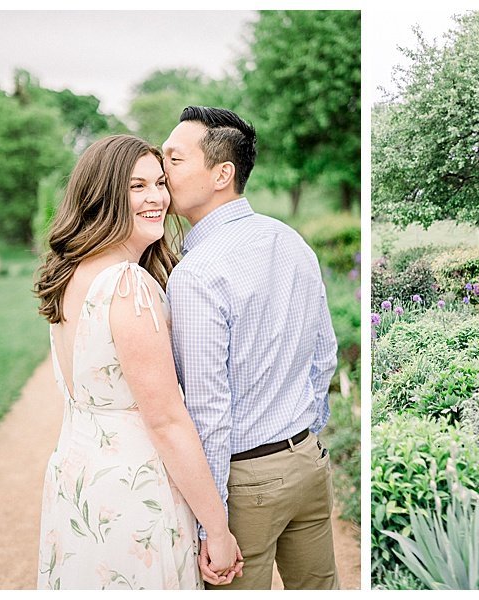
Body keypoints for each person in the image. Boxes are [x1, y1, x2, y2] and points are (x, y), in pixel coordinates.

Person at [33, 134, 243, 590]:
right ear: (105, 194)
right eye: (136, 186)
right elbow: (167, 420)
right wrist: (219, 530)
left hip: (80, 484)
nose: (157, 198)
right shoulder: (128, 284)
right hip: (134, 493)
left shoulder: (71, 275)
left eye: (160, 183)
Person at [163, 106, 340, 590]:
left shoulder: (196, 276)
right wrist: (303, 433)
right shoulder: (290, 239)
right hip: (307, 459)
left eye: (174, 159)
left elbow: (208, 411)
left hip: (246, 482)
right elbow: (325, 352)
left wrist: (212, 524)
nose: (162, 170)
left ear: (222, 174)